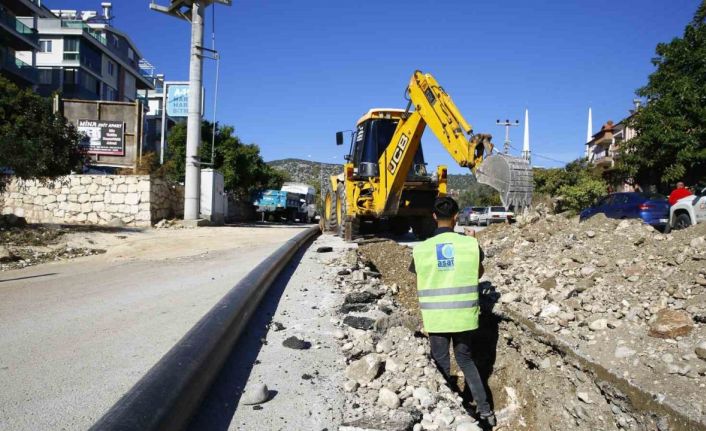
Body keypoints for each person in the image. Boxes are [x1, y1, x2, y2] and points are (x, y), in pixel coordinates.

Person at [410, 197, 495, 427]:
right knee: (466, 360)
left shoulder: (421, 249)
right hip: (464, 316)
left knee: (440, 363)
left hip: (436, 316)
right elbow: (477, 273)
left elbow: (421, 275)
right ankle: (486, 412)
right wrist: (473, 245)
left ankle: (446, 411)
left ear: (434, 217)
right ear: (456, 216)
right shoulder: (469, 244)